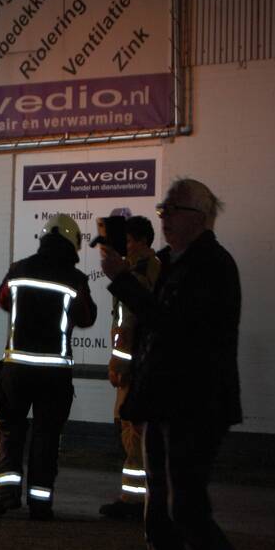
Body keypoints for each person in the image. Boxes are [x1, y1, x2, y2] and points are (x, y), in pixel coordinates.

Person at [100, 179, 248, 550]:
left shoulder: (212, 266)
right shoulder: (172, 263)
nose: (162, 217)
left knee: (185, 511)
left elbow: (175, 327)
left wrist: (124, 281)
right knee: (159, 514)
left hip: (195, 405)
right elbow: (153, 332)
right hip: (165, 401)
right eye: (162, 210)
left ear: (198, 218)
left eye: (171, 210)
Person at [0, 214, 96, 520]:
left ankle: (6, 493)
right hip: (55, 373)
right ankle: (40, 501)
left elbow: (3, 300)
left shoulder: (18, 270)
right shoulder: (75, 279)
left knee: (9, 429)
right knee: (46, 435)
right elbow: (87, 317)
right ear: (73, 243)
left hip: (16, 369)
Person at [99, 215, 160, 521]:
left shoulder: (135, 269)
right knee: (138, 430)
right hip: (146, 361)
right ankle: (144, 497)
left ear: (134, 240)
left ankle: (133, 500)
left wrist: (117, 364)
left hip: (133, 365)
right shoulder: (155, 266)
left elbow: (127, 322)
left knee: (131, 431)